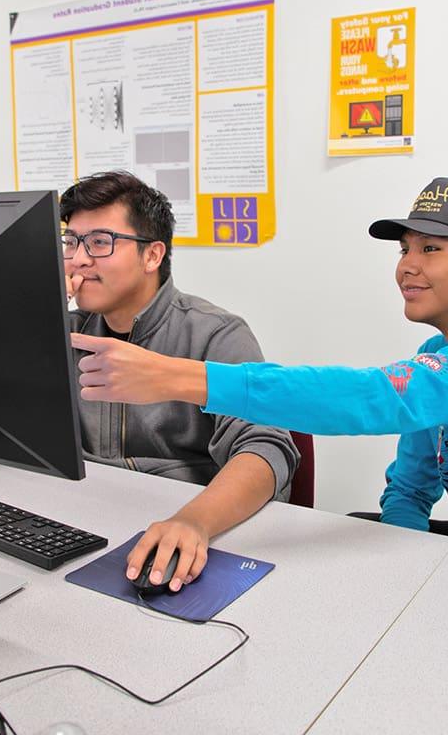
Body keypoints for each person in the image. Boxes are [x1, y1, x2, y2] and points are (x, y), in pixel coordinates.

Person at [71, 177, 448, 568]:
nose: (407, 266)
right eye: (405, 250)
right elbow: (410, 491)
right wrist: (399, 577)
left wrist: (180, 377)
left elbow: (373, 398)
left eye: (431, 249)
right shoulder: (440, 355)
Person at [60, 171, 299, 590]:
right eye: (71, 242)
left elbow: (266, 446)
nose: (78, 259)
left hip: (183, 525)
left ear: (152, 255)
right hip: (86, 517)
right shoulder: (63, 330)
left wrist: (194, 521)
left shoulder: (215, 333)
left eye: (99, 242)